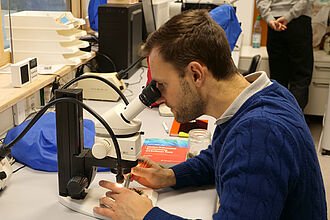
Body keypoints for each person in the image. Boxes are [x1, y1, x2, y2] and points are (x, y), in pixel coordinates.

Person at [93, 9, 327, 219]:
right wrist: (170, 176)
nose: (160, 97)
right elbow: (220, 155)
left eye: (162, 85)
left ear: (196, 74)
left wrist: (145, 216)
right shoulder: (265, 94)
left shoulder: (259, 133)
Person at [256, 0, 314, 110]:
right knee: (300, 78)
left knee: (278, 77)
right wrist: (289, 16)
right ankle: (293, 122)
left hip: (274, 24)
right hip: (299, 21)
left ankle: (278, 120)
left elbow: (261, 2)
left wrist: (270, 19)